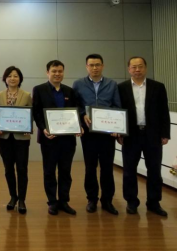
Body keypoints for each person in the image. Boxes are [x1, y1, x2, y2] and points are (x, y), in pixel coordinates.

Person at [118, 57, 171, 217]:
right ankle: (131, 202)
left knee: (154, 170)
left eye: (140, 66)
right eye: (134, 67)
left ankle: (154, 202)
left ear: (145, 68)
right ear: (129, 69)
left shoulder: (158, 87)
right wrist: (119, 133)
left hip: (153, 135)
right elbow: (118, 111)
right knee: (129, 170)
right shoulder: (121, 88)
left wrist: (165, 133)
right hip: (130, 135)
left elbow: (164, 111)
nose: (137, 70)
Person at [33, 60, 83, 216]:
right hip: (49, 138)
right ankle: (52, 202)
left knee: (65, 171)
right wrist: (44, 128)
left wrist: (78, 126)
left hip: (68, 139)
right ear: (47, 72)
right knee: (49, 171)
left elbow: (76, 111)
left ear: (63, 72)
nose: (57, 74)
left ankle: (64, 201)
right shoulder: (39, 90)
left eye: (60, 71)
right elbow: (36, 113)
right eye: (54, 71)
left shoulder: (69, 91)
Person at [73, 54, 121, 216]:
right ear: (86, 66)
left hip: (108, 133)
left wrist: (117, 126)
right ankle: (92, 199)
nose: (95, 68)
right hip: (89, 133)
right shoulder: (78, 84)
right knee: (90, 167)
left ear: (103, 66)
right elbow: (75, 105)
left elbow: (117, 106)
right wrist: (82, 115)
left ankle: (107, 200)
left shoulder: (112, 84)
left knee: (107, 168)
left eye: (98, 65)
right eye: (91, 65)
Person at [0, 66, 32, 215]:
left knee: (22, 169)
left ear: (20, 79)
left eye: (16, 76)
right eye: (9, 76)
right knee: (8, 169)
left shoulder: (27, 95)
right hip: (5, 138)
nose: (12, 78)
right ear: (5, 78)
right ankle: (13, 197)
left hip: (21, 138)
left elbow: (30, 114)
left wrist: (28, 126)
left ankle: (22, 199)